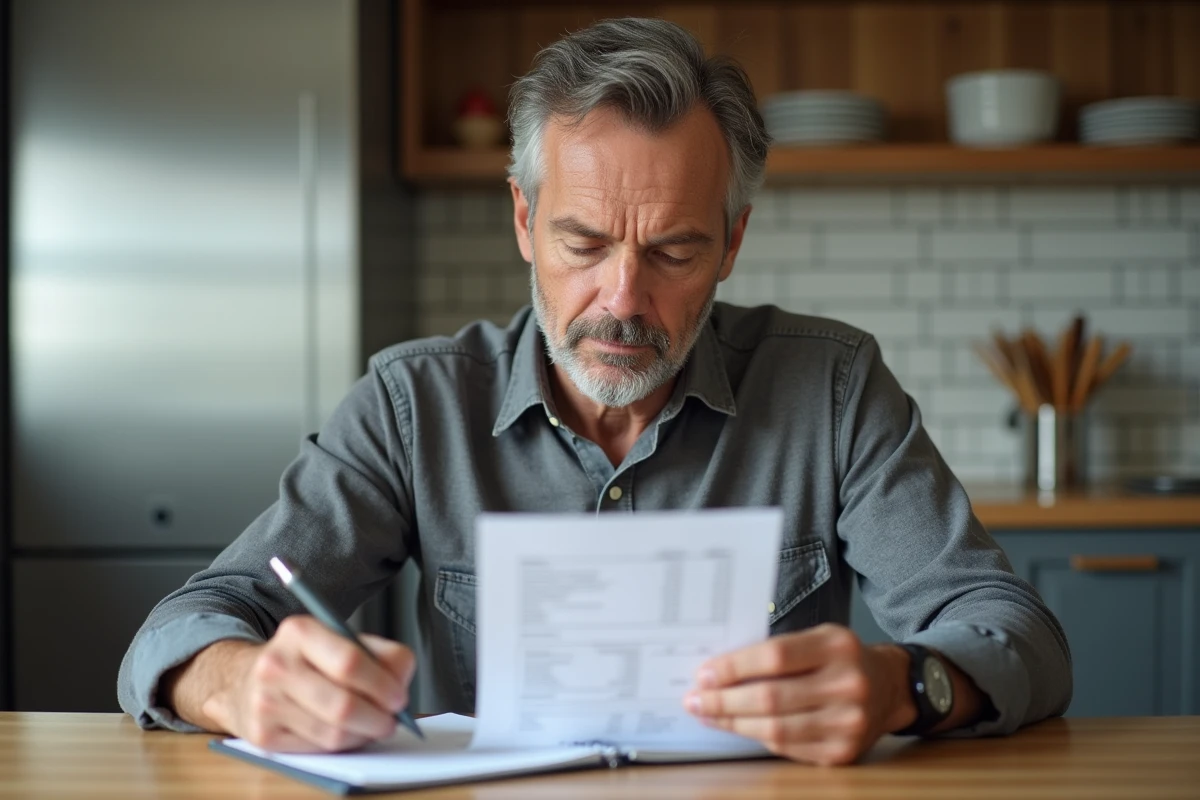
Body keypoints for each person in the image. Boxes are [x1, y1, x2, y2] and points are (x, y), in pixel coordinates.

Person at [119, 17, 1071, 765]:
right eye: (583, 244)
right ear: (525, 219)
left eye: (674, 249)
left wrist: (910, 686)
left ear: (732, 243)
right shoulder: (414, 406)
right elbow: (183, 627)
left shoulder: (831, 387)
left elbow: (1017, 633)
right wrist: (243, 684)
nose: (622, 300)